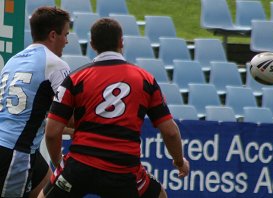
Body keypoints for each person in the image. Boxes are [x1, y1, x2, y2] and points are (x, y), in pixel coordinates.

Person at [39, 18, 189, 198]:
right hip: (124, 169)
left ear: (93, 45)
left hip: (80, 164)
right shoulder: (145, 79)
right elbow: (170, 132)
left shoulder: (75, 78)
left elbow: (52, 132)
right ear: (121, 42)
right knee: (160, 195)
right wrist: (179, 161)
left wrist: (59, 164)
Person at [0, 7, 71, 198]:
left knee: (50, 191)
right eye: (65, 34)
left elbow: (25, 115)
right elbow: (70, 116)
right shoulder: (56, 64)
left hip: (13, 144)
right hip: (17, 152)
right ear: (53, 35)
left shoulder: (13, 61)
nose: (67, 41)